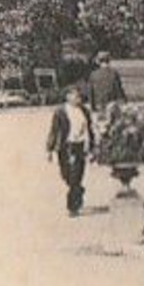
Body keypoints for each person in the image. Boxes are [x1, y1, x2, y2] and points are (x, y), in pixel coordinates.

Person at [46, 87, 94, 216]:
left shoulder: (84, 110)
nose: (78, 99)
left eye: (79, 96)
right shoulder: (60, 112)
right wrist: (49, 149)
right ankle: (78, 190)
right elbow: (54, 131)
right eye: (75, 96)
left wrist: (92, 147)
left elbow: (89, 129)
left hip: (80, 146)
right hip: (65, 147)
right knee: (66, 175)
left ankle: (73, 207)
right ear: (67, 97)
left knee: (75, 176)